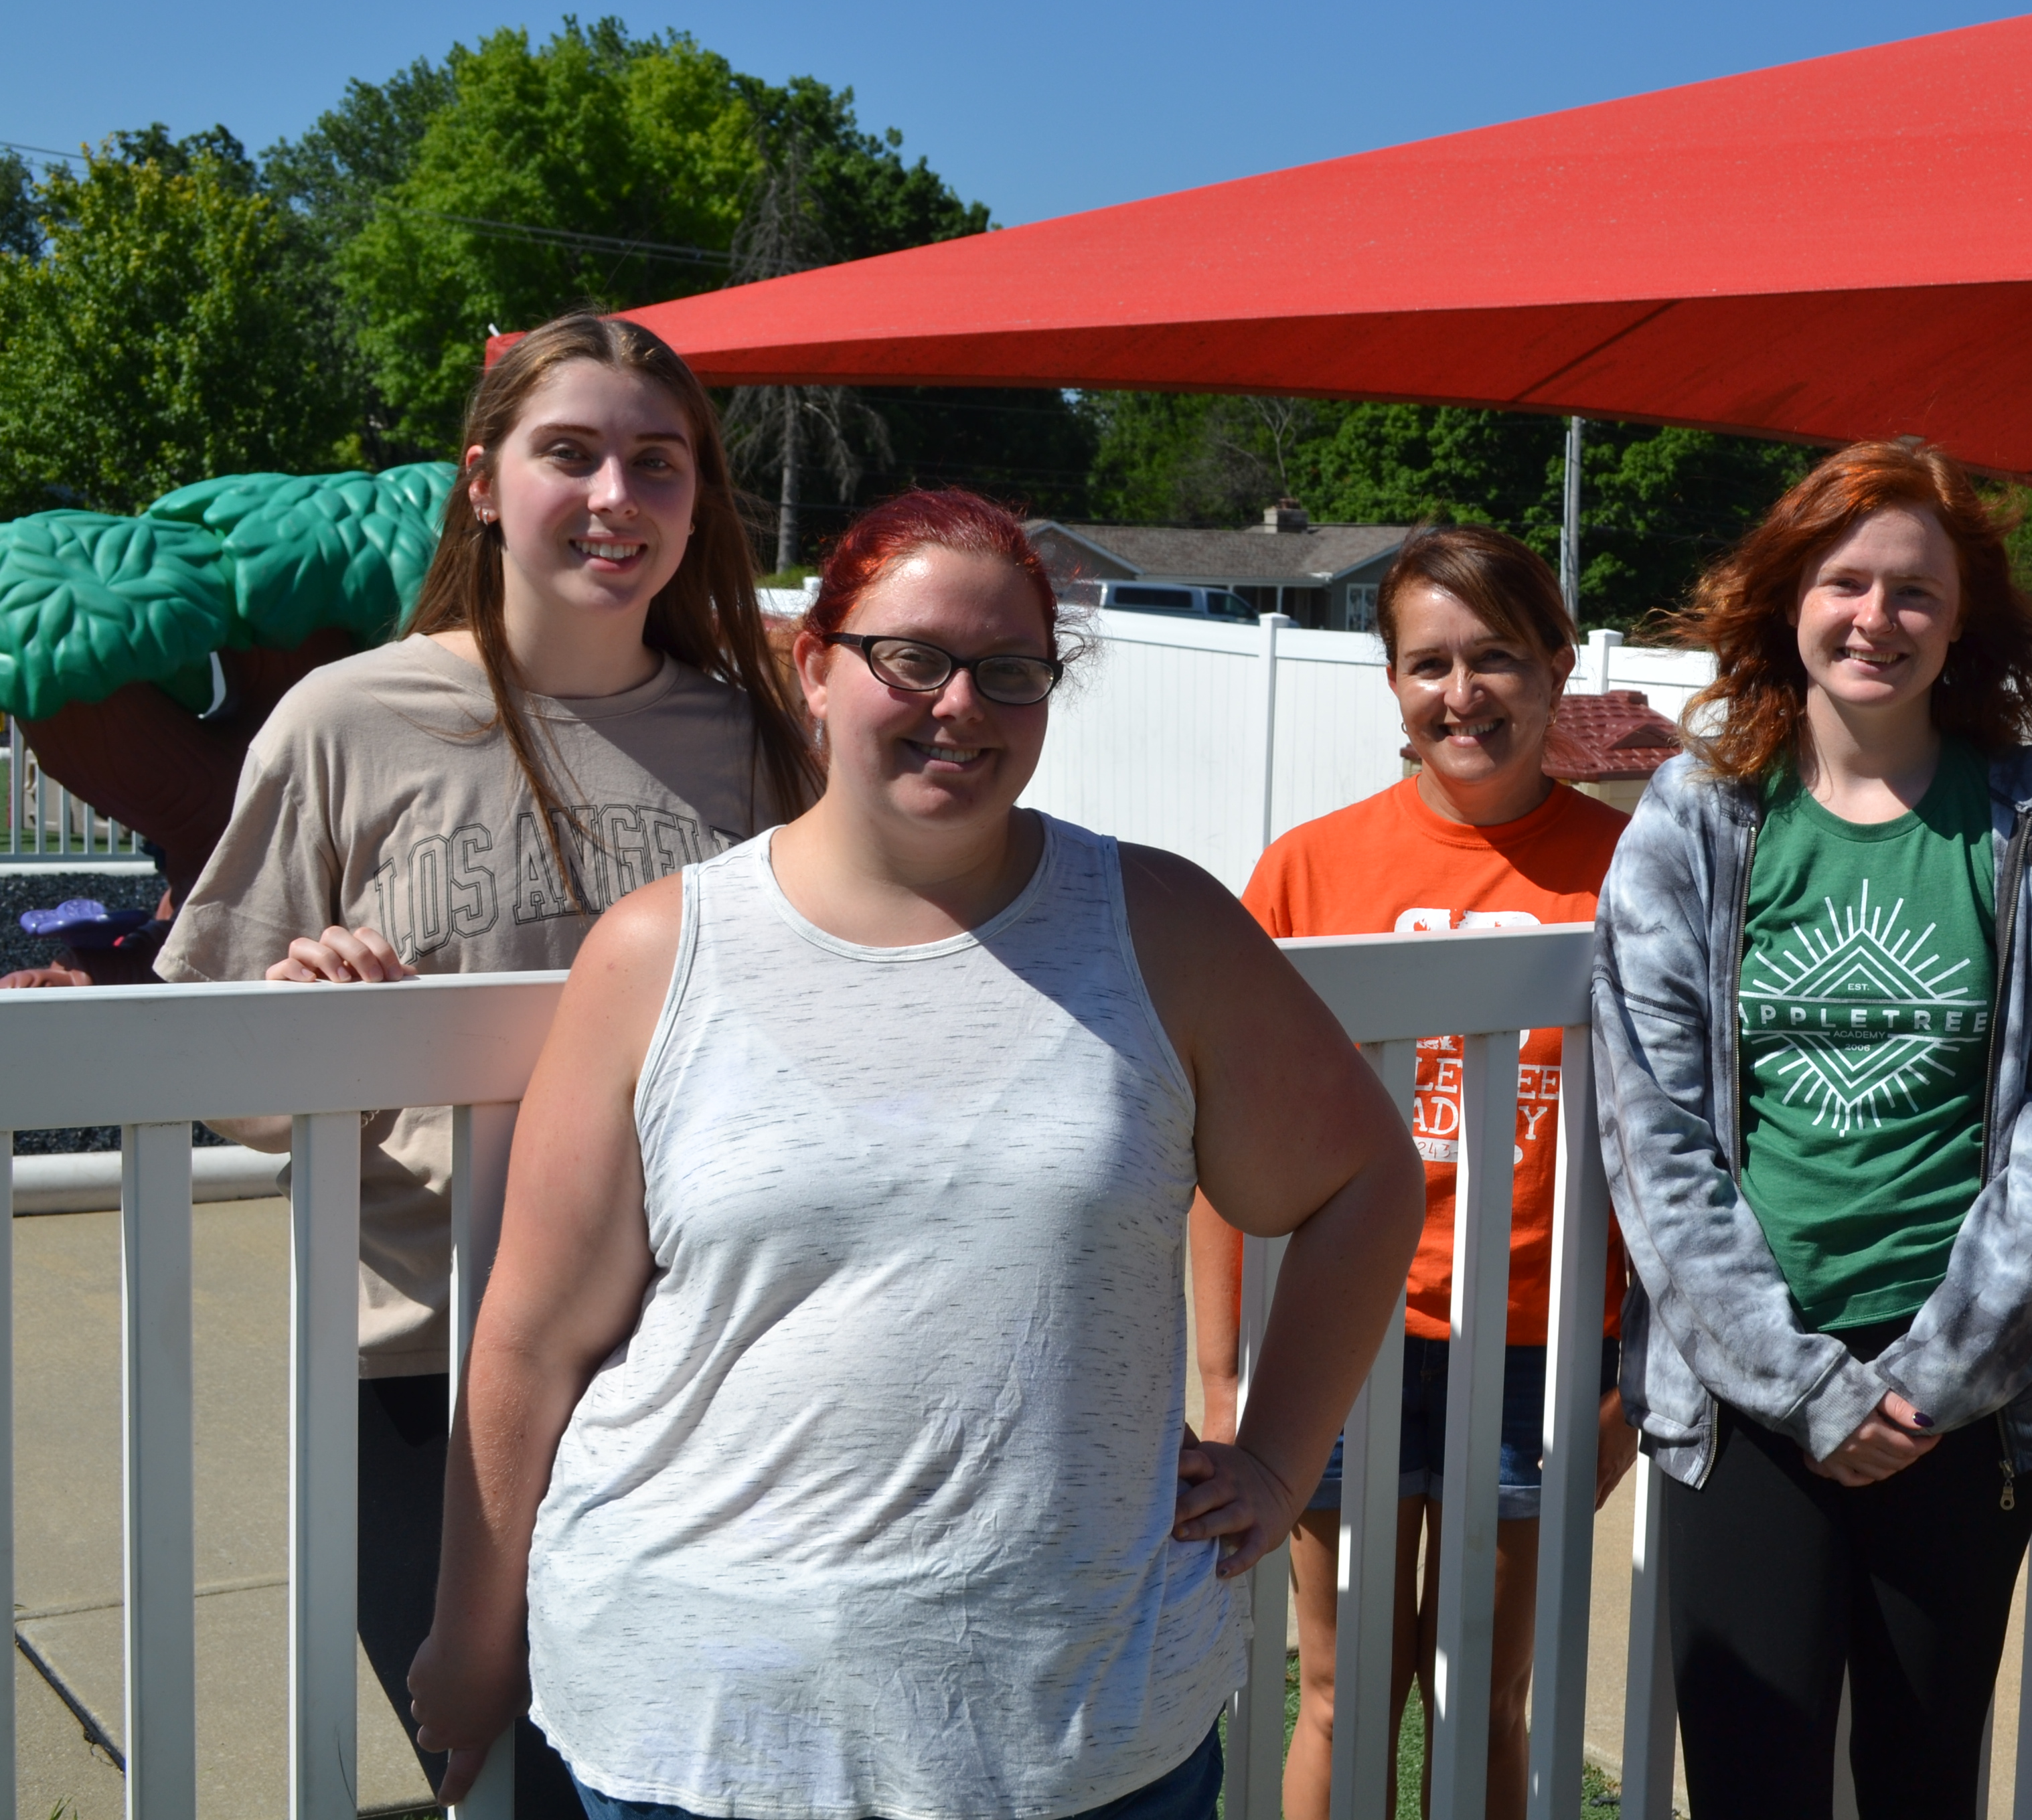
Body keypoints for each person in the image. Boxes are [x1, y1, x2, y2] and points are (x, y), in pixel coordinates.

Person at [402, 488, 1425, 1819]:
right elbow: (532, 1342)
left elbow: (1363, 1180)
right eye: (915, 659)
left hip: (1083, 1729)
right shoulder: (664, 953)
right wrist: (472, 1645)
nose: (962, 705)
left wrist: (1279, 1462)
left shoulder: (1160, 928)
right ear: (816, 670)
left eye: (1012, 673)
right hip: (705, 1729)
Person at [152, 313, 819, 1815]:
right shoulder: (347, 719)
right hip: (420, 1362)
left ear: (697, 502)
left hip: (701, 1348)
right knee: (494, 1766)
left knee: (691, 1769)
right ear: (480, 482)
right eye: (567, 452)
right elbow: (228, 1087)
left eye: (658, 464)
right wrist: (295, 997)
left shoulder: (761, 741)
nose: (616, 496)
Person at [1591, 440, 2032, 1819]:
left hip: (1963, 1401)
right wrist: (1805, 1386)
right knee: (1748, 1781)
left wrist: (1929, 1382)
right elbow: (1652, 1132)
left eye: (1916, 592)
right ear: (1788, 597)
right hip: (1747, 1400)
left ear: (1963, 622)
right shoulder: (1698, 818)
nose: (1877, 619)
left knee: (1919, 1778)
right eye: (1846, 582)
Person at [1190, 523, 1637, 1820]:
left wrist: (1625, 1378)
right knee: (1339, 1689)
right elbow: (1224, 1139)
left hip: (1540, 1350)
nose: (1462, 694)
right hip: (1349, 1335)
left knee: (1482, 1694)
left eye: (1496, 657)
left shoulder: (1629, 873)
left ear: (1558, 667)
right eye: (1428, 663)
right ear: (1391, 681)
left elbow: (1682, 1142)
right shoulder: (1309, 871)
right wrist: (1224, 1374)